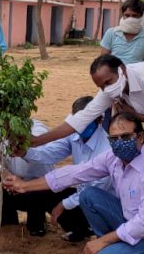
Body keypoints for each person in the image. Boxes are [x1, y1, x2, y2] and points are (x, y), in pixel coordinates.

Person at [5, 112, 144, 254]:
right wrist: (24, 186)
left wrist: (104, 241)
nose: (120, 142)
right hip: (129, 220)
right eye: (114, 139)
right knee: (89, 195)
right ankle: (116, 249)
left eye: (126, 136)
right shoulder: (113, 158)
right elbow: (75, 173)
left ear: (140, 138)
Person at [29, 55, 144, 212]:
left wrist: (138, 116)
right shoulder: (110, 90)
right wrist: (37, 141)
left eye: (108, 82)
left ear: (121, 70)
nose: (107, 89)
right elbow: (80, 120)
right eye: (101, 86)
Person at [21, 96, 114, 242]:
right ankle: (75, 229)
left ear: (99, 120)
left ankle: (95, 229)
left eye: (87, 122)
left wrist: (64, 204)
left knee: (85, 196)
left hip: (102, 201)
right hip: (82, 193)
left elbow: (96, 190)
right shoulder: (73, 136)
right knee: (40, 191)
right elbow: (50, 153)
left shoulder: (106, 148)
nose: (82, 126)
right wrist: (25, 152)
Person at [99, 0, 144, 64]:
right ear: (123, 15)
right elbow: (104, 62)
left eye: (134, 16)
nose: (130, 19)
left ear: (141, 16)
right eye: (127, 15)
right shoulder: (111, 33)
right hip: (115, 74)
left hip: (136, 74)